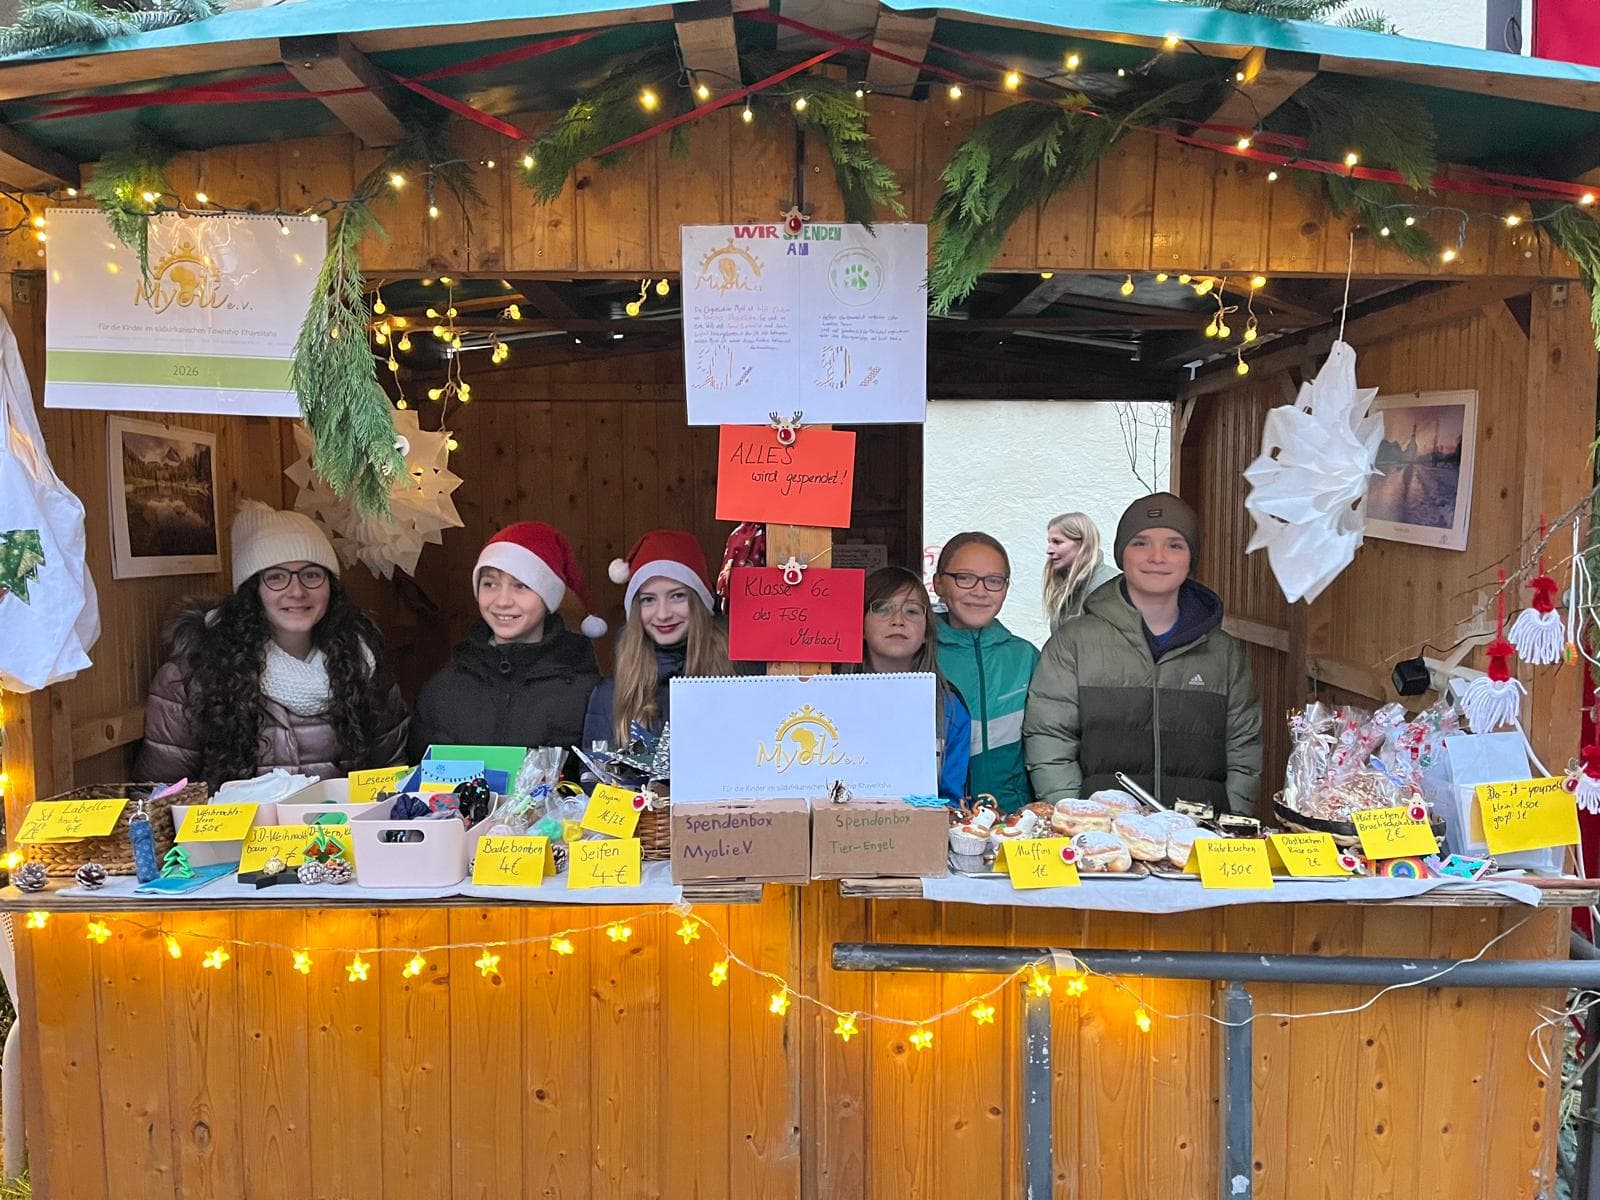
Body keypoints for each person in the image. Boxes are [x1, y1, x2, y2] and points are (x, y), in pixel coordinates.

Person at [136, 501, 407, 789]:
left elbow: (393, 774)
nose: (297, 591)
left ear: (331, 585)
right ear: (252, 590)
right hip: (237, 833)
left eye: (312, 574)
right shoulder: (194, 673)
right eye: (276, 577)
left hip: (341, 832)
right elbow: (159, 794)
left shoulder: (363, 661)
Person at [1023, 492, 1262, 815]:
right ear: (1122, 554)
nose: (1157, 557)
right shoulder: (1073, 642)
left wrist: (1232, 813)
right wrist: (1077, 816)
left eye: (1175, 545)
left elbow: (1243, 746)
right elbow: (1050, 739)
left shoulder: (1223, 651)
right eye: (1141, 543)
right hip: (1104, 842)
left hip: (1202, 840)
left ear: (1191, 557)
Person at [410, 522, 604, 757]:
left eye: (521, 585)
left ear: (548, 595)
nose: (502, 601)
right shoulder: (441, 690)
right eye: (490, 584)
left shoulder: (587, 692)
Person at [583, 530, 730, 748]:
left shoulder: (739, 676)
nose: (663, 614)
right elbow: (593, 776)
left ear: (700, 601)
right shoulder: (610, 695)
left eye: (677, 596)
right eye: (648, 600)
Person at [841, 567, 972, 804]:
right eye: (882, 609)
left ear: (926, 632)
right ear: (860, 626)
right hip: (845, 831)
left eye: (912, 611)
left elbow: (952, 799)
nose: (898, 621)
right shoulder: (832, 698)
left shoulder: (950, 708)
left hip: (925, 834)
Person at [933, 532, 1039, 811]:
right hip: (940, 817)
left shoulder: (1026, 657)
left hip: (1014, 818)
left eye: (994, 581)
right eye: (965, 578)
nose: (980, 592)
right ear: (938, 583)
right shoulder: (922, 656)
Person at [1042, 511, 1113, 632]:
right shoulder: (1066, 586)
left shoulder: (1108, 586)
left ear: (1083, 543)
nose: (1049, 550)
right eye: (1049, 542)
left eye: (1057, 542)